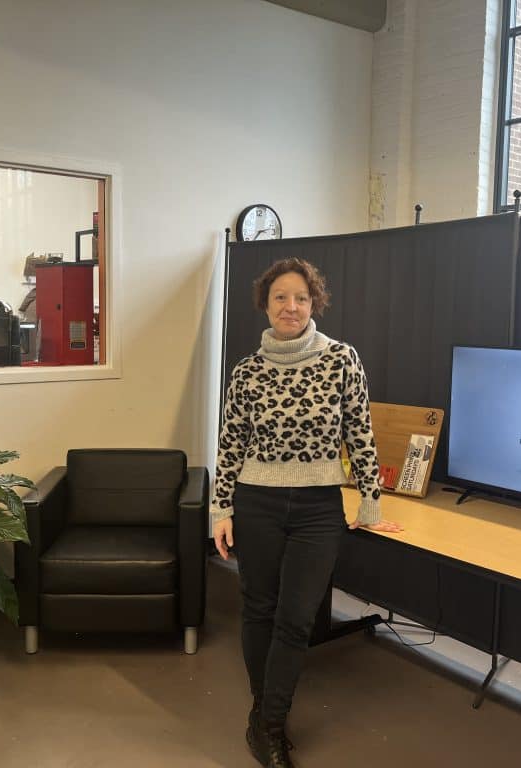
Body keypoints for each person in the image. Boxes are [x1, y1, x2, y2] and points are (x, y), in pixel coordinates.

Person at [211, 257, 401, 768]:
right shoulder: (247, 371)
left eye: (300, 297)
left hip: (319, 505)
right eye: (280, 298)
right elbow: (231, 443)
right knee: (258, 609)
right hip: (257, 501)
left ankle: (268, 722)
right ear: (265, 305)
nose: (290, 307)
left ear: (314, 302)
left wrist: (370, 498)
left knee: (296, 620)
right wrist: (220, 508)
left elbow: (359, 432)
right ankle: (266, 720)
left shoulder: (342, 360)